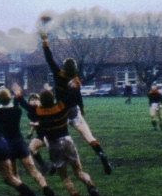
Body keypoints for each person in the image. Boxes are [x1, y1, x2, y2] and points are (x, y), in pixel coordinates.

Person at [40, 31, 113, 175]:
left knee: (53, 137)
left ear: (64, 67)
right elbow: (78, 96)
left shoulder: (58, 75)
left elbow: (49, 59)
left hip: (61, 112)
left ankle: (55, 164)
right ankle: (102, 156)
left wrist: (45, 41)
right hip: (74, 111)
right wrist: (82, 108)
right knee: (88, 137)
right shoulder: (76, 80)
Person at [26, 88, 101, 196]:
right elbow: (73, 95)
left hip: (54, 145)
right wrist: (72, 84)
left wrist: (18, 96)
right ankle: (91, 187)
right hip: (67, 141)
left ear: (41, 101)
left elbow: (28, 107)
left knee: (65, 177)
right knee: (79, 172)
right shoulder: (61, 108)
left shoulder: (39, 112)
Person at [0, 85, 59, 196]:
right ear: (10, 98)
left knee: (15, 175)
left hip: (8, 146)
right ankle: (47, 191)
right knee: (34, 171)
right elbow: (16, 106)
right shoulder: (17, 111)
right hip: (20, 144)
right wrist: (17, 95)